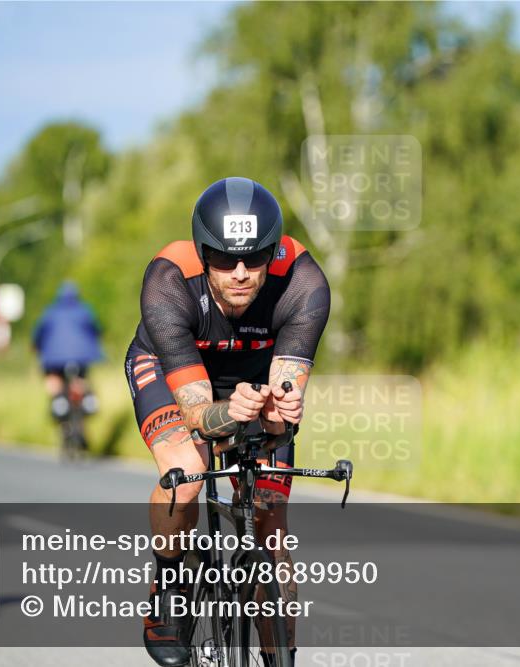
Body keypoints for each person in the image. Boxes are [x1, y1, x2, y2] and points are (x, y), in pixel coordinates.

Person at [126, 177, 330, 667]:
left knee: (270, 521)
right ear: (203, 253)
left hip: (254, 382)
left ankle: (279, 657)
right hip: (174, 373)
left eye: (255, 257)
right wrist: (228, 412)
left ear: (274, 251)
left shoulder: (305, 285)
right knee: (186, 474)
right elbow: (197, 414)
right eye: (223, 258)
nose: (240, 273)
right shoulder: (169, 279)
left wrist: (280, 417)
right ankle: (169, 581)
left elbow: (284, 399)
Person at [32, 281, 104, 421]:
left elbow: (39, 334)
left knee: (53, 378)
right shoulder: (85, 310)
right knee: (81, 379)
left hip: (53, 359)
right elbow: (97, 330)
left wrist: (36, 347)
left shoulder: (50, 312)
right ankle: (88, 400)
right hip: (82, 357)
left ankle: (58, 401)